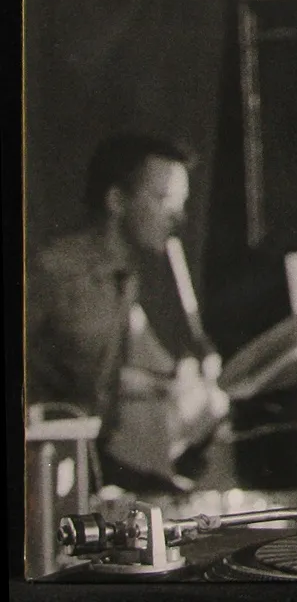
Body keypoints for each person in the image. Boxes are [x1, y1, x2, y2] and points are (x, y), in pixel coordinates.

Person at [26, 133, 229, 492]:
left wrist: (174, 381)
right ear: (117, 200)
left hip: (91, 456)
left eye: (181, 203)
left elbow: (94, 376)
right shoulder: (53, 272)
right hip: (40, 466)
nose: (178, 217)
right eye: (163, 199)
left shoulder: (125, 277)